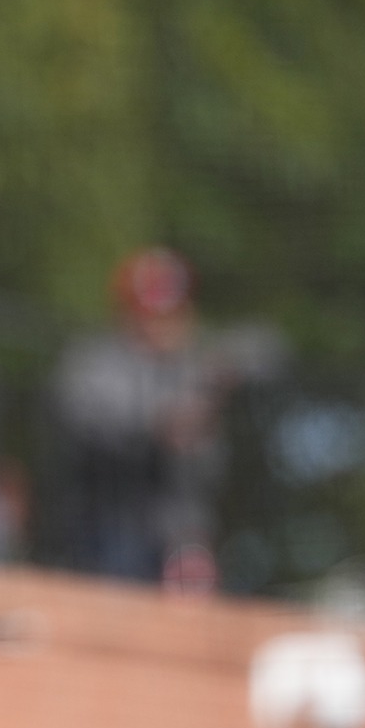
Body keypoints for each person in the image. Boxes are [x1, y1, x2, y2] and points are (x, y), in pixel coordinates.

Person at [51, 246, 228, 589]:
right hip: (109, 528)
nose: (167, 321)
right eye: (154, 309)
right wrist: (157, 428)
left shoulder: (194, 372)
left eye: (174, 309)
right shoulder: (93, 363)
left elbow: (211, 463)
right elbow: (85, 422)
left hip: (181, 535)